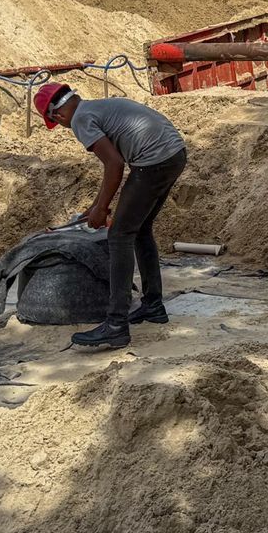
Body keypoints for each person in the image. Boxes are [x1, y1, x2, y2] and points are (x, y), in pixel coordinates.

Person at [35, 83, 188, 350]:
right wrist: (96, 206)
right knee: (139, 230)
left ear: (56, 116)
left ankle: (116, 325)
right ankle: (153, 305)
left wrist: (102, 209)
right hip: (173, 154)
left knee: (119, 236)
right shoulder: (95, 107)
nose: (63, 127)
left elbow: (115, 164)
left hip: (153, 161)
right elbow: (118, 166)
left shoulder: (81, 119)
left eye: (58, 124)